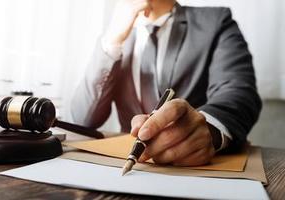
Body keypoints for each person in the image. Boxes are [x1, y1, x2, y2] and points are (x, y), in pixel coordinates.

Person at [71, 0, 261, 166]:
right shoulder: (114, 36)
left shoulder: (216, 21)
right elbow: (84, 119)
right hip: (128, 163)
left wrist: (208, 130)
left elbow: (238, 92)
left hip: (195, 169)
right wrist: (112, 42)